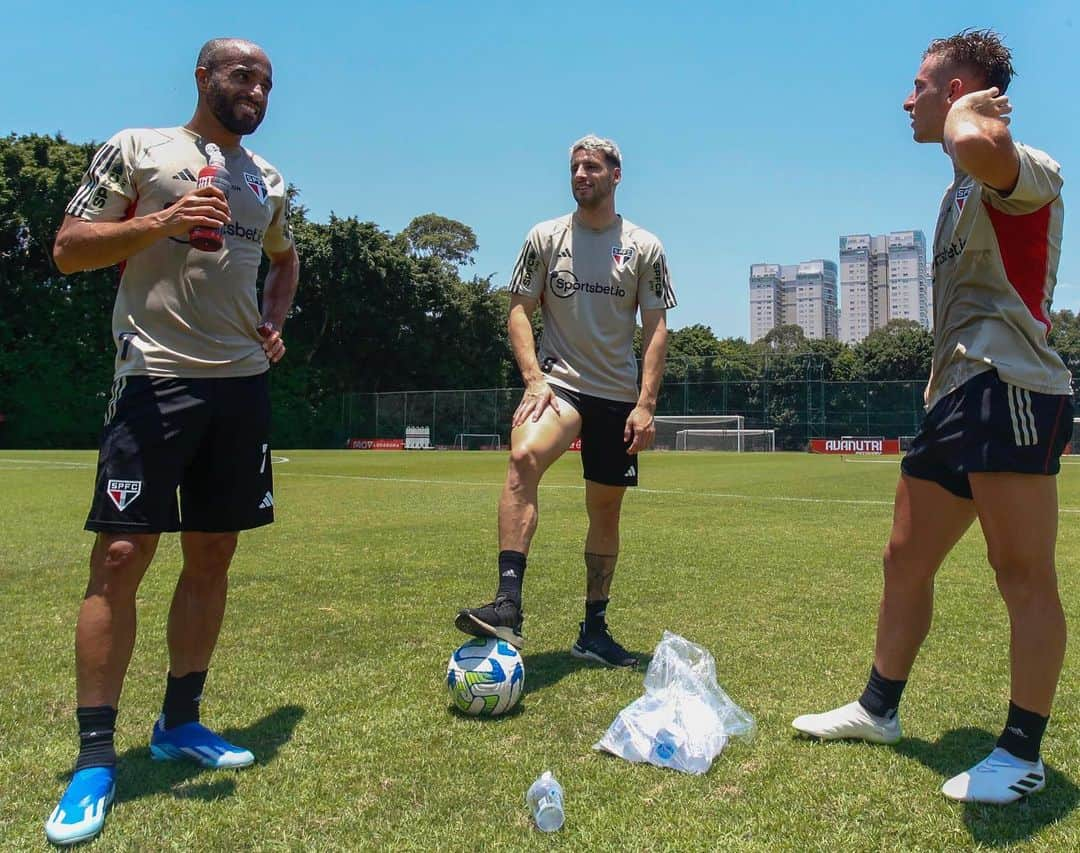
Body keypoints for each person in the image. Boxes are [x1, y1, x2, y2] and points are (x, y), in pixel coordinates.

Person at [792, 29, 1073, 804]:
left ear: (958, 93)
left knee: (1021, 574)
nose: (905, 98)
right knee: (903, 558)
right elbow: (966, 152)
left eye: (921, 84)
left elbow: (984, 146)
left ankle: (1021, 752)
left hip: (1011, 387)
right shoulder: (953, 194)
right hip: (952, 395)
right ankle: (878, 708)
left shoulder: (1025, 168)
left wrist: (965, 116)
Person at [45, 38, 299, 845]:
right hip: (154, 377)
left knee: (213, 552)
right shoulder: (138, 148)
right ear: (203, 77)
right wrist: (161, 219)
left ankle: (180, 721)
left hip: (240, 388)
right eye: (240, 75)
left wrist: (273, 322)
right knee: (121, 557)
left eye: (265, 80)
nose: (254, 88)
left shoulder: (269, 181)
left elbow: (285, 261)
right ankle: (94, 759)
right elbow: (66, 249)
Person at [455, 135, 676, 667]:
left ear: (616, 175)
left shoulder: (644, 246)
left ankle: (593, 631)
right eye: (575, 166)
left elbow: (658, 327)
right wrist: (534, 379)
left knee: (604, 510)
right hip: (561, 384)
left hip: (619, 396)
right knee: (523, 456)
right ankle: (509, 602)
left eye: (592, 167)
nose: (581, 174)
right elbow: (518, 309)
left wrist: (646, 403)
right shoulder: (544, 237)